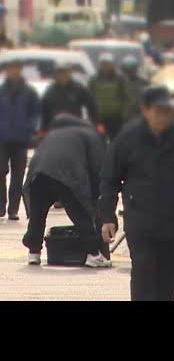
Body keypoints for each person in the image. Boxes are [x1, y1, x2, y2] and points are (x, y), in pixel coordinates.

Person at [99, 85, 174, 301]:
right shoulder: (128, 138)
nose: (164, 117)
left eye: (168, 112)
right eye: (159, 112)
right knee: (143, 275)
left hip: (173, 224)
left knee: (167, 281)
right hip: (140, 223)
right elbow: (109, 179)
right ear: (145, 110)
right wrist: (107, 217)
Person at [22, 114, 111, 267]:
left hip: (38, 174)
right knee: (80, 213)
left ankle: (33, 253)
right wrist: (96, 196)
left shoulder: (55, 133)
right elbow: (98, 167)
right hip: (66, 174)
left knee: (38, 214)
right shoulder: (91, 135)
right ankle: (94, 254)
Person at [0, 60, 39, 220]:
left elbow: (35, 113)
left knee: (18, 174)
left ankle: (13, 209)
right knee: (1, 171)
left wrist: (30, 130)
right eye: (10, 68)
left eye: (16, 68)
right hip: (2, 138)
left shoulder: (28, 91)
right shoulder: (2, 91)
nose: (13, 71)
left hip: (21, 139)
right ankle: (1, 205)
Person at [40, 61, 98, 132]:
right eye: (59, 72)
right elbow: (44, 111)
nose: (62, 74)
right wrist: (43, 129)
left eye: (64, 72)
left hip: (74, 128)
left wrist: (93, 123)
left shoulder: (79, 88)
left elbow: (92, 105)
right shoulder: (50, 90)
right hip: (55, 129)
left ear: (69, 72)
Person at [89, 52, 134, 140]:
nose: (106, 66)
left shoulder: (120, 78)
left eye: (108, 64)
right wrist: (92, 115)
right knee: (98, 139)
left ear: (113, 64)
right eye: (103, 64)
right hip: (100, 117)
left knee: (116, 139)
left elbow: (128, 97)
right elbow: (90, 97)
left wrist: (124, 114)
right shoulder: (94, 79)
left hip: (116, 118)